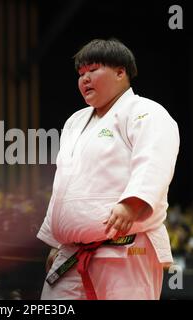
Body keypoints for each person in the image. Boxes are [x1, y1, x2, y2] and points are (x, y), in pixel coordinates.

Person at [37, 38, 180, 300]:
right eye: (81, 74)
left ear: (120, 72)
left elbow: (154, 161)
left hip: (127, 248)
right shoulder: (75, 121)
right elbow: (64, 183)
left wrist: (132, 203)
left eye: (93, 70)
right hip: (71, 252)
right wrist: (58, 240)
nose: (84, 79)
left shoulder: (146, 112)